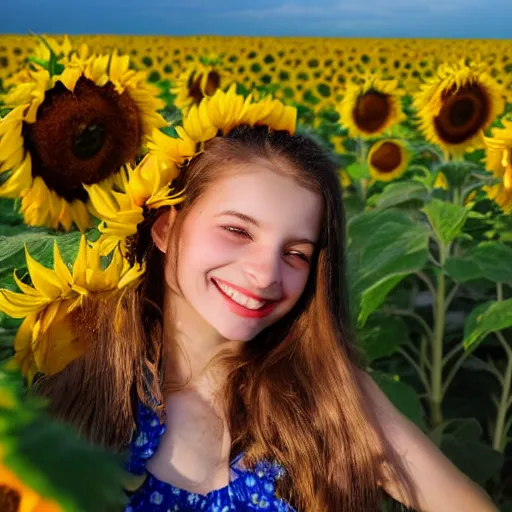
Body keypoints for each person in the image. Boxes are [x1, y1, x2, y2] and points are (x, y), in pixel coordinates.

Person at [12, 87, 496, 511]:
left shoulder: (325, 397)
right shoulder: (86, 381)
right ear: (165, 227)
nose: (265, 274)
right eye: (237, 230)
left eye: (296, 253)